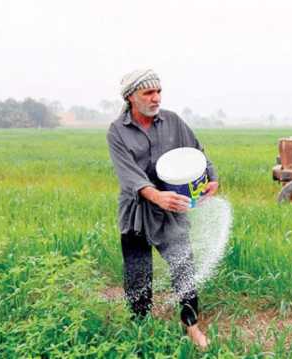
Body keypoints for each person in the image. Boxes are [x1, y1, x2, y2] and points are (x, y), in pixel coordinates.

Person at [106, 69, 218, 349]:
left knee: (184, 268)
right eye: (148, 93)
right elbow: (129, 175)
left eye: (158, 91)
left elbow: (197, 152)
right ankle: (140, 327)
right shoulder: (117, 132)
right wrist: (156, 196)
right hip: (137, 211)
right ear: (131, 97)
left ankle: (191, 325)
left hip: (172, 209)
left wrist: (212, 178)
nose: (156, 98)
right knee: (137, 274)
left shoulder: (173, 122)